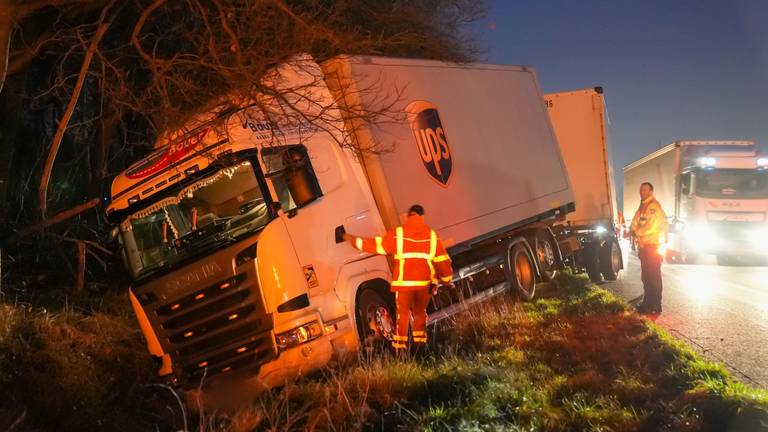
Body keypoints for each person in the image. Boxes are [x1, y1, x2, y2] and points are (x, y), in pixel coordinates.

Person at [343, 204, 454, 352]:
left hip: (404, 285)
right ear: (422, 217)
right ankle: (421, 347)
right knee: (420, 314)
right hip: (423, 285)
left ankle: (401, 350)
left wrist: (350, 239)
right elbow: (442, 261)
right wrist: (447, 281)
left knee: (402, 316)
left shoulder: (398, 234)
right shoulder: (431, 235)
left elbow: (376, 246)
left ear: (408, 216)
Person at [630, 182, 668, 314]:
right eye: (641, 190)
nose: (642, 192)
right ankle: (647, 303)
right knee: (646, 277)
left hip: (653, 246)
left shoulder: (653, 206)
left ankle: (656, 306)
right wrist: (633, 230)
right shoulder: (643, 206)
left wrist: (637, 232)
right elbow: (635, 222)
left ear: (651, 191)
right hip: (645, 247)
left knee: (653, 277)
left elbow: (651, 226)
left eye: (645, 190)